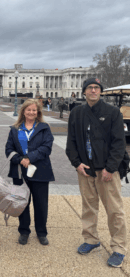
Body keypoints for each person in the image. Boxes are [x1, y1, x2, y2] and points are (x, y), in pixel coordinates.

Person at [66, 78, 127, 268]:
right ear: (84, 92)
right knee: (88, 207)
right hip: (85, 169)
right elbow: (71, 142)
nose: (93, 90)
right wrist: (77, 164)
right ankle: (91, 239)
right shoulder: (76, 113)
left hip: (106, 170)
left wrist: (110, 168)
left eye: (97, 88)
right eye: (90, 88)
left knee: (114, 210)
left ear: (100, 91)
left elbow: (119, 143)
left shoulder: (113, 112)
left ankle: (118, 248)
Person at [5, 99, 54, 246]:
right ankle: (24, 231)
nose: (31, 112)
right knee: (22, 203)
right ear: (23, 112)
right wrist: (20, 159)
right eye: (29, 110)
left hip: (40, 171)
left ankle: (41, 232)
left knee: (41, 204)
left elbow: (47, 148)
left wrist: (29, 158)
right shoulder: (15, 129)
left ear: (38, 112)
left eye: (34, 110)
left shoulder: (44, 128)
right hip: (20, 172)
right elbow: (8, 149)